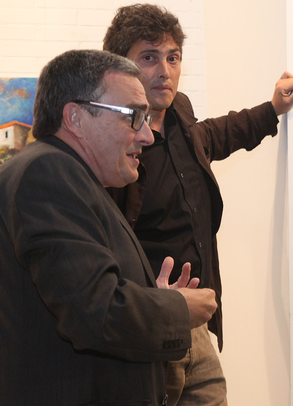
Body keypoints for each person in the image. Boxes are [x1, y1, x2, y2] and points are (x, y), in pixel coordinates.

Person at [103, 4, 293, 405]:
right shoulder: (111, 148)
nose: (165, 70)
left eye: (173, 57)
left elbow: (219, 134)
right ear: (119, 67)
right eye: (149, 58)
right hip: (145, 327)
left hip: (194, 323)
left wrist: (272, 110)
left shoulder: (181, 118)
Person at [0, 49, 219, 405]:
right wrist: (177, 309)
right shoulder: (49, 173)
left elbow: (82, 290)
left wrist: (155, 298)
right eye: (134, 117)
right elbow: (94, 312)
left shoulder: (70, 176)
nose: (147, 136)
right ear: (75, 117)